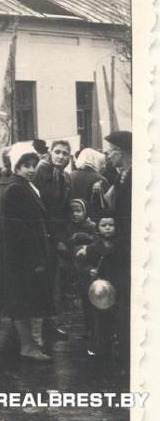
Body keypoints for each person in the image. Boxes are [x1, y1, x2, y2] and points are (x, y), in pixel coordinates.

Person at [0, 142, 55, 362]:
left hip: (25, 255)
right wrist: (36, 259)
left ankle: (28, 343)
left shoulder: (24, 185)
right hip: (23, 257)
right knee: (23, 302)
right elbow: (20, 230)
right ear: (16, 166)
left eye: (33, 165)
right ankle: (27, 346)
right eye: (26, 166)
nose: (31, 169)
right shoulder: (16, 188)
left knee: (25, 301)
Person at [32, 139, 72, 343]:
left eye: (65, 153)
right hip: (41, 236)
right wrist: (56, 239)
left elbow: (63, 211)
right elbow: (43, 210)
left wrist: (62, 237)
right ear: (50, 153)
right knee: (40, 284)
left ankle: (50, 326)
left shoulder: (64, 176)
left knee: (52, 284)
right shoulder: (40, 173)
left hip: (55, 237)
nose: (61, 156)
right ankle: (36, 333)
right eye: (57, 152)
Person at [76, 213, 125, 358]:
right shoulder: (92, 248)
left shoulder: (122, 246)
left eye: (111, 225)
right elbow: (85, 264)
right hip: (101, 289)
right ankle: (104, 347)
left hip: (118, 286)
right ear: (98, 228)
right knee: (103, 319)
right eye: (103, 225)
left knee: (120, 316)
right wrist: (89, 270)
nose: (107, 228)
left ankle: (122, 343)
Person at [102, 130, 132, 368]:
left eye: (111, 151)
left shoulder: (134, 178)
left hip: (129, 248)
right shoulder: (122, 176)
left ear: (122, 153)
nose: (108, 155)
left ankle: (128, 355)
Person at [70, 147, 108, 218]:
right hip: (92, 217)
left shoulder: (70, 176)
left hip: (71, 215)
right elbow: (106, 204)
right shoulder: (101, 179)